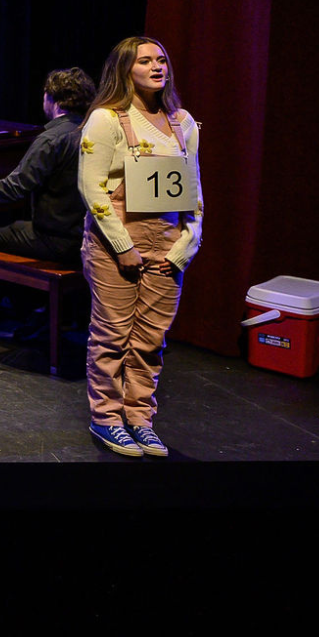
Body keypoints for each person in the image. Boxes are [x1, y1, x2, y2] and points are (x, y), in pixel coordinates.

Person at [77, 37, 202, 458]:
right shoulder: (107, 119)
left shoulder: (182, 122)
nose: (156, 66)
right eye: (145, 61)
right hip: (117, 245)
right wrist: (122, 245)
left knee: (151, 339)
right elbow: (91, 188)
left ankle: (140, 417)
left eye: (161, 59)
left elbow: (194, 192)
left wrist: (185, 247)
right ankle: (107, 417)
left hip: (167, 247)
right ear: (125, 69)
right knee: (113, 335)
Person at [0, 67, 93, 263]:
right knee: (15, 226)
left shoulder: (51, 138)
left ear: (50, 98)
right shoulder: (92, 130)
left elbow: (14, 188)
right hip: (84, 236)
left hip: (56, 240)